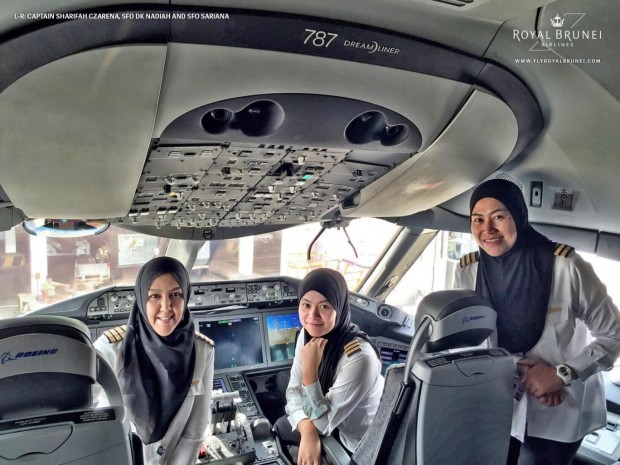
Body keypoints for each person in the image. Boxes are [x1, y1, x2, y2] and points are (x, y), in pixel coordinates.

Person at [454, 178, 620, 465]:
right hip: (499, 402)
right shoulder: (469, 270)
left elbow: (614, 334)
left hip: (560, 411)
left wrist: (562, 374)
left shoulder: (566, 266)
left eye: (499, 217)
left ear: (518, 217)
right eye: (477, 219)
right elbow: (468, 336)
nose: (487, 230)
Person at [94, 256, 214, 465]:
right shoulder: (109, 350)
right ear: (141, 299)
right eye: (155, 296)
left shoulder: (203, 351)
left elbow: (194, 431)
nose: (166, 307)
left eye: (175, 295)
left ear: (186, 296)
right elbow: (91, 422)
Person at [273, 268, 384, 465]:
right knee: (280, 427)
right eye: (306, 305)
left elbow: (322, 424)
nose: (312, 316)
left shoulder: (360, 358)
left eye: (324, 307)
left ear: (339, 308)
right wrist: (307, 431)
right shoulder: (308, 334)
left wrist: (309, 372)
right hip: (333, 425)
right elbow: (292, 393)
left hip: (360, 447)